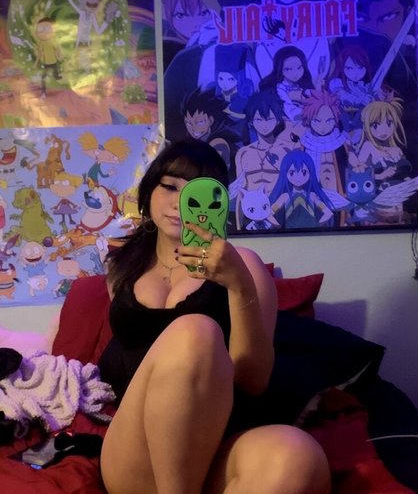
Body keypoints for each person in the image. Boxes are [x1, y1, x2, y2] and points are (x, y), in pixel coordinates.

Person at [98, 139, 331, 494]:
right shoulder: (122, 269)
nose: (181, 203)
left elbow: (254, 380)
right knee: (195, 333)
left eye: (199, 192)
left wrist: (238, 283)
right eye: (170, 187)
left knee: (297, 456)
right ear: (149, 192)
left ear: (220, 203)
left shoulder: (244, 266)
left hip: (221, 438)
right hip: (140, 448)